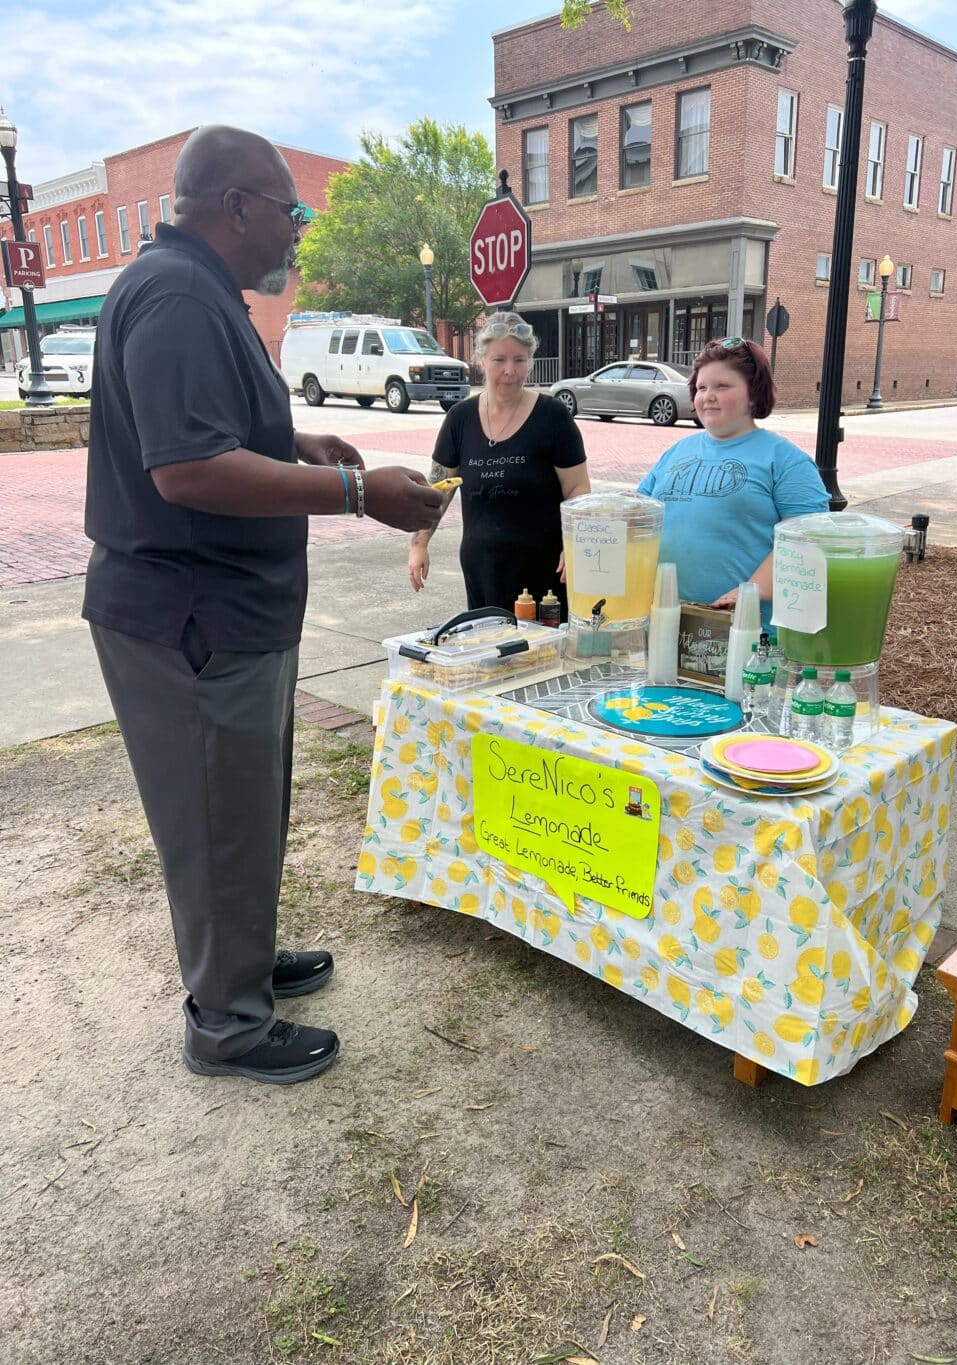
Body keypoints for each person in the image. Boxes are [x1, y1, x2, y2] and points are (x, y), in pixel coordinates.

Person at [82, 126, 443, 1085]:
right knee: (211, 816)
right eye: (292, 210)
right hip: (189, 616)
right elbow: (188, 468)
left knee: (240, 809)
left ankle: (239, 963)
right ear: (236, 205)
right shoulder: (174, 295)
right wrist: (360, 494)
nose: (299, 230)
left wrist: (303, 442)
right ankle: (225, 1021)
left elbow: (221, 432)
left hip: (230, 616)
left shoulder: (204, 293)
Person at [407, 312, 590, 618]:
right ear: (481, 361)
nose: (509, 371)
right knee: (489, 654)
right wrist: (419, 544)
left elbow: (578, 489)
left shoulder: (553, 417)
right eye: (499, 360)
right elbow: (438, 489)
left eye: (519, 360)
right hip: (482, 569)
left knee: (540, 659)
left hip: (545, 573)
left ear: (529, 361)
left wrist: (577, 544)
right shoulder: (460, 419)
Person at [637, 337, 829, 618]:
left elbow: (809, 538)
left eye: (722, 386)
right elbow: (636, 514)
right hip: (665, 619)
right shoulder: (676, 452)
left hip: (746, 628)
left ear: (753, 394)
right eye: (701, 387)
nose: (707, 396)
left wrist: (752, 591)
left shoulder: (785, 459)